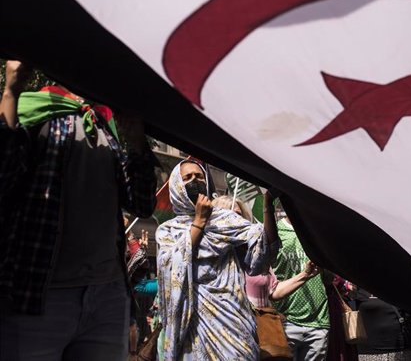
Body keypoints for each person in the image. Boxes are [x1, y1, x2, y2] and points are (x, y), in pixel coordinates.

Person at [0, 60, 157, 360]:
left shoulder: (104, 126)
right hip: (37, 295)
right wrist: (10, 92)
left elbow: (142, 204)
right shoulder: (32, 111)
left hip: (106, 297)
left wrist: (137, 143)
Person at [156, 160, 280, 360]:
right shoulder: (168, 231)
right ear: (177, 188)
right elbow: (170, 268)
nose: (195, 180)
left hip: (233, 323)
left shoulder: (225, 220)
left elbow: (262, 253)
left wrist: (268, 206)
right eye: (187, 178)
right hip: (194, 327)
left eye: (199, 176)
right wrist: (199, 221)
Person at [272, 209, 331, 361]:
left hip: (318, 321)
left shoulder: (317, 234)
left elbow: (329, 279)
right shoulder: (276, 232)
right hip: (286, 320)